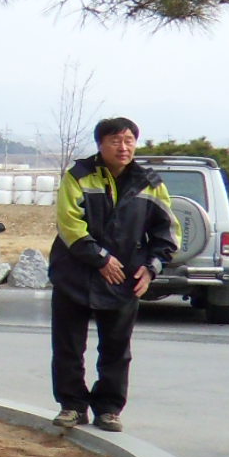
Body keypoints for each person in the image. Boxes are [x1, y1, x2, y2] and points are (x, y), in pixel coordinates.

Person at [48, 117, 177, 432]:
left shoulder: (150, 182)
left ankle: (108, 409)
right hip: (74, 274)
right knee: (68, 346)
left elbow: (167, 232)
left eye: (129, 140)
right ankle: (72, 406)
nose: (123, 147)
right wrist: (101, 259)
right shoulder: (78, 176)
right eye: (115, 140)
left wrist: (152, 268)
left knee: (117, 350)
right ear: (100, 144)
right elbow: (69, 224)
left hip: (124, 278)